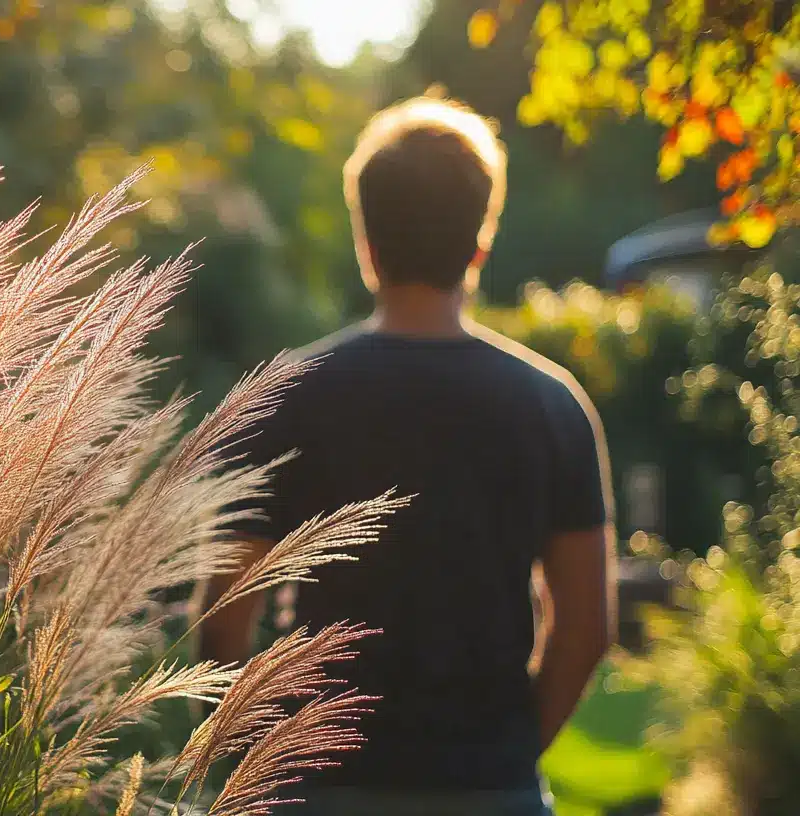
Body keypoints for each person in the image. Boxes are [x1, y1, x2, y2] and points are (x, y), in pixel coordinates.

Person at [200, 93, 616, 816]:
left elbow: (224, 618)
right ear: (481, 240)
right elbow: (586, 628)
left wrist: (274, 764)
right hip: (493, 789)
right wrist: (507, 760)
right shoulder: (553, 405)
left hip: (320, 794)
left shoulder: (288, 397)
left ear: (367, 244)